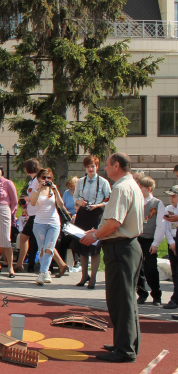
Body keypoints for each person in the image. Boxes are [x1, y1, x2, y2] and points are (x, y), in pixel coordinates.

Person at [80, 153, 144, 362]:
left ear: (117, 165)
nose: (105, 168)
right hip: (128, 245)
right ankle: (126, 343)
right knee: (126, 299)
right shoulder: (131, 184)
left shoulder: (121, 188)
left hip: (120, 247)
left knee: (120, 299)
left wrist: (95, 235)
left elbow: (115, 222)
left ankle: (125, 350)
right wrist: (98, 230)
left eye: (107, 165)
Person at [72, 155, 111, 288]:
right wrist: (80, 202)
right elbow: (75, 197)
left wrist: (97, 205)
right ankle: (84, 275)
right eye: (88, 166)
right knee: (82, 245)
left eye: (93, 166)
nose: (90, 169)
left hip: (96, 215)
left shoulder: (103, 182)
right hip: (83, 214)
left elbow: (109, 199)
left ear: (97, 167)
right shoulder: (80, 181)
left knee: (94, 247)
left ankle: (93, 277)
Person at [29, 168, 69, 285]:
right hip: (39, 223)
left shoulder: (53, 191)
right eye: (43, 177)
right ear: (39, 179)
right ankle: (46, 273)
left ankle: (42, 273)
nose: (46, 180)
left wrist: (55, 190)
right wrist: (40, 188)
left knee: (49, 248)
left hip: (54, 223)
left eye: (49, 178)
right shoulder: (36, 190)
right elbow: (32, 203)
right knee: (42, 249)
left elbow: (61, 205)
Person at [136, 177, 165, 305]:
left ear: (148, 189)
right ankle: (141, 293)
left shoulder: (157, 203)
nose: (139, 189)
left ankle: (156, 295)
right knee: (138, 268)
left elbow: (160, 225)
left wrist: (156, 243)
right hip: (138, 238)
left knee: (151, 268)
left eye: (141, 187)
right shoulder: (137, 202)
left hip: (150, 240)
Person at [152, 185, 178, 310]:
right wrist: (171, 242)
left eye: (174, 196)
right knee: (175, 271)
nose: (171, 199)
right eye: (170, 196)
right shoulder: (168, 208)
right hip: (172, 241)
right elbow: (166, 227)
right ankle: (176, 297)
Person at [15, 159, 42, 273]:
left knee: (26, 238)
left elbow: (38, 195)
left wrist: (28, 198)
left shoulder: (37, 181)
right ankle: (20, 263)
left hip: (36, 214)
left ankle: (20, 263)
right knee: (24, 237)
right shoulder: (33, 180)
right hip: (33, 214)